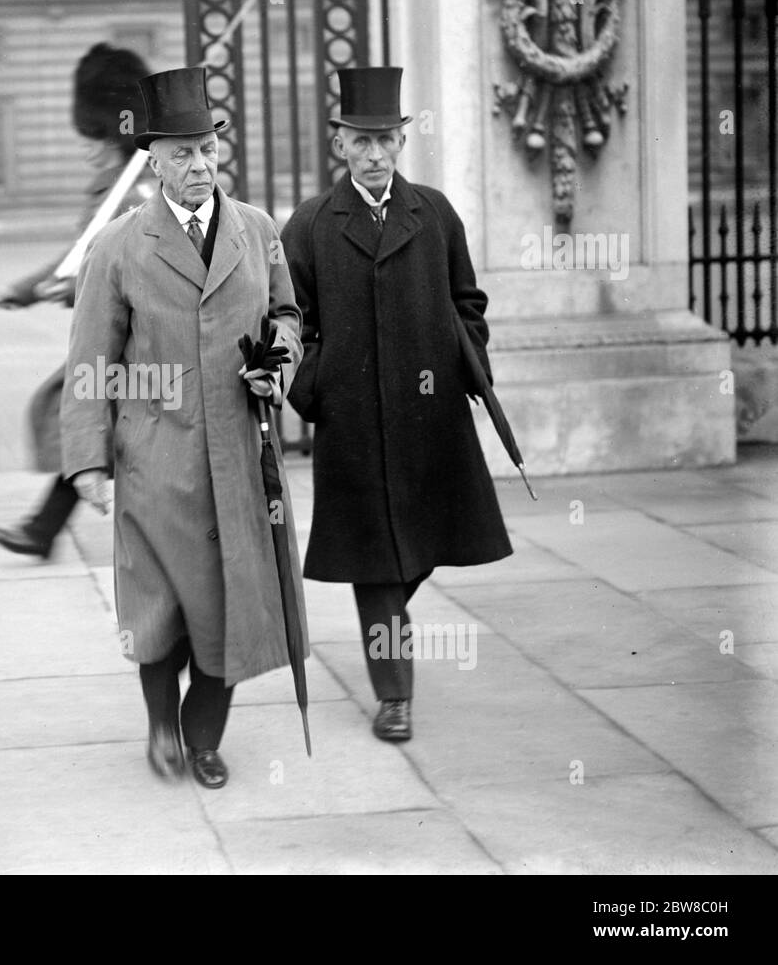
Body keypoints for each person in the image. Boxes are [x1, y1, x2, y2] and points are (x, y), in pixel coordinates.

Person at [61, 67, 304, 789]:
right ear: (154, 162)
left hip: (239, 459)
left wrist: (279, 363)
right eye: (182, 155)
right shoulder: (119, 248)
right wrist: (88, 464)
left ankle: (203, 737)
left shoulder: (258, 231)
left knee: (233, 607)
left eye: (207, 150)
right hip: (155, 462)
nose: (199, 167)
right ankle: (163, 727)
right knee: (161, 612)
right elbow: (89, 364)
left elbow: (288, 316)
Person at [281, 66, 512, 743]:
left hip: (430, 419)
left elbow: (468, 302)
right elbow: (288, 319)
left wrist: (463, 356)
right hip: (353, 426)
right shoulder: (313, 223)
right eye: (361, 140)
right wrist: (314, 385)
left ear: (403, 140)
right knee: (377, 565)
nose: (374, 153)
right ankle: (395, 698)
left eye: (385, 139)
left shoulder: (434, 213)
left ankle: (389, 630)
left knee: (419, 547)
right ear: (341, 144)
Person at [0, 43, 154, 559]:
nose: (88, 149)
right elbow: (78, 257)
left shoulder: (138, 190)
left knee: (90, 419)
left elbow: (124, 265)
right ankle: (44, 528)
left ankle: (44, 528)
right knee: (92, 422)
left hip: (139, 340)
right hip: (113, 340)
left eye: (96, 139)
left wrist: (69, 284)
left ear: (116, 137)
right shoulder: (112, 187)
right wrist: (31, 288)